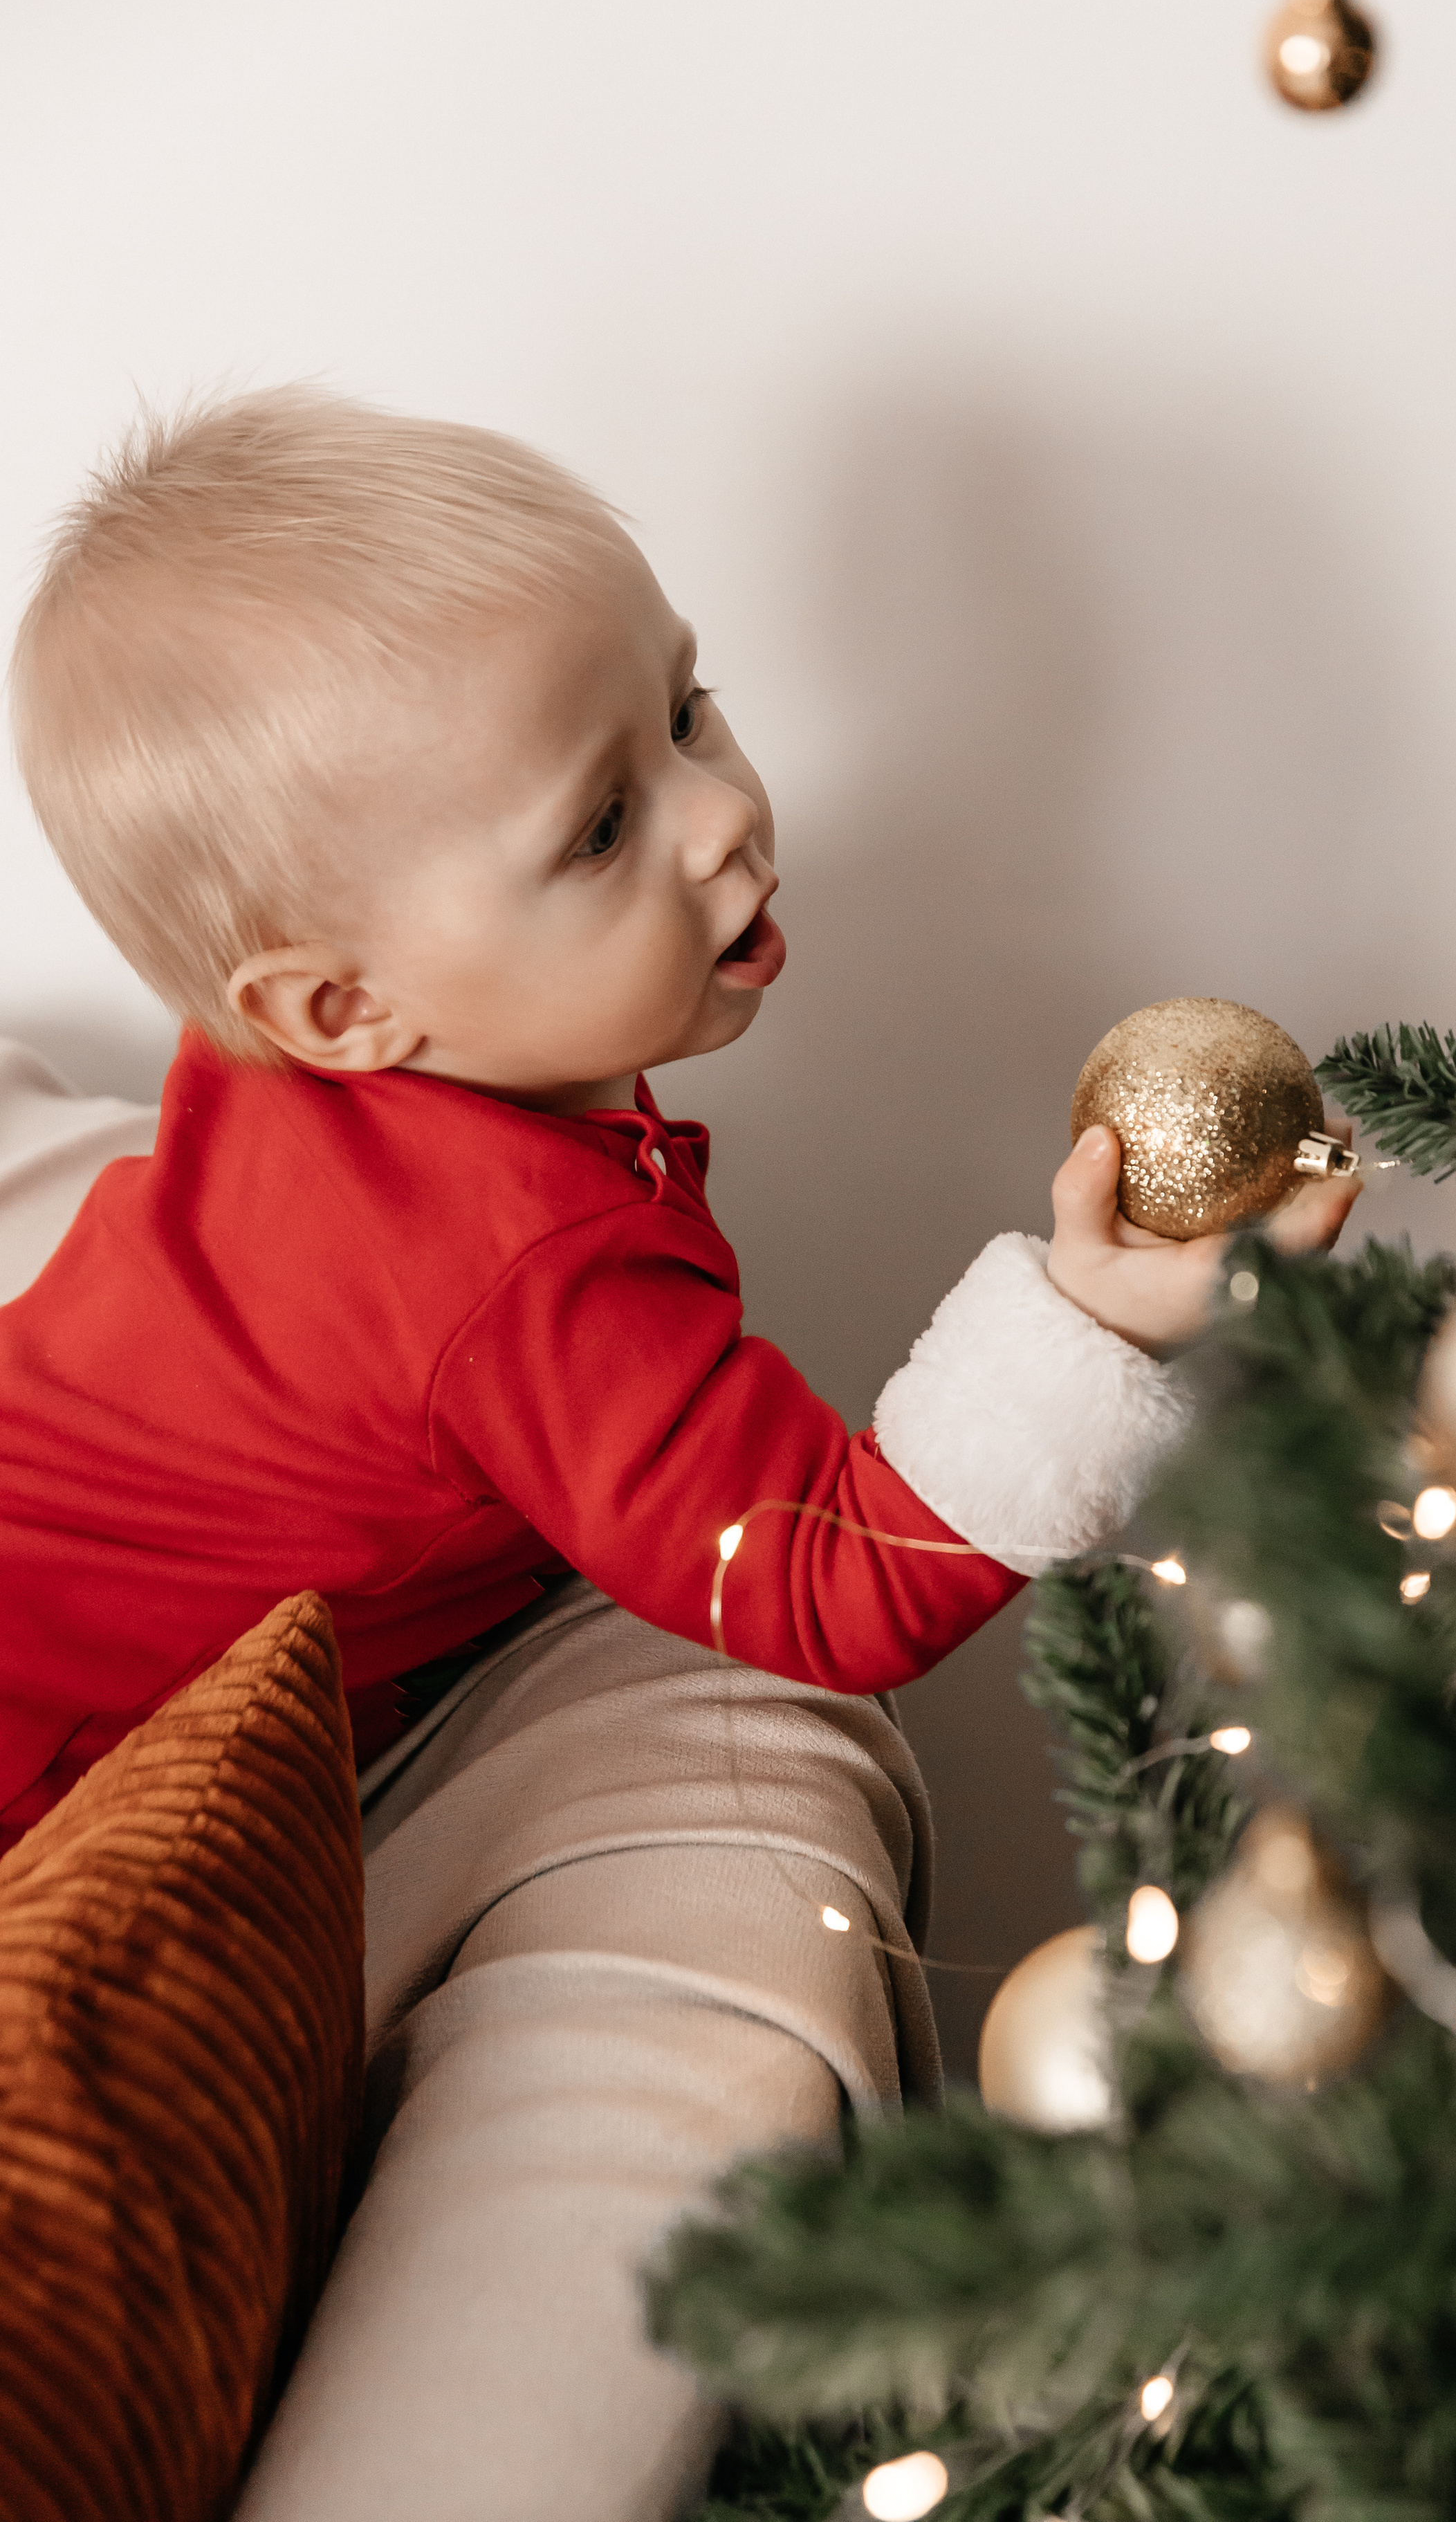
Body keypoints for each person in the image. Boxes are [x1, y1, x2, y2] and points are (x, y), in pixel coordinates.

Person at [0, 390, 1360, 2519]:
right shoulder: (517, 1277)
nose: (727, 815)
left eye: (691, 708)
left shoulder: (303, 1055)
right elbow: (825, 1585)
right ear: (342, 1011)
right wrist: (1090, 1324)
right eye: (602, 826)